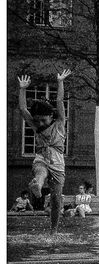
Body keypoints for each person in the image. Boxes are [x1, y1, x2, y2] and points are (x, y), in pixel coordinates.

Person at [17, 69, 70, 231]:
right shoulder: (36, 126)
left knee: (56, 201)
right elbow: (23, 110)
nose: (39, 123)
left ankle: (53, 230)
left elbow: (60, 101)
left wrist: (60, 82)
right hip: (41, 157)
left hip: (58, 162)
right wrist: (22, 88)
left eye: (43, 120)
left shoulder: (59, 123)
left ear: (51, 116)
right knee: (40, 172)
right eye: (37, 120)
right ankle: (38, 187)